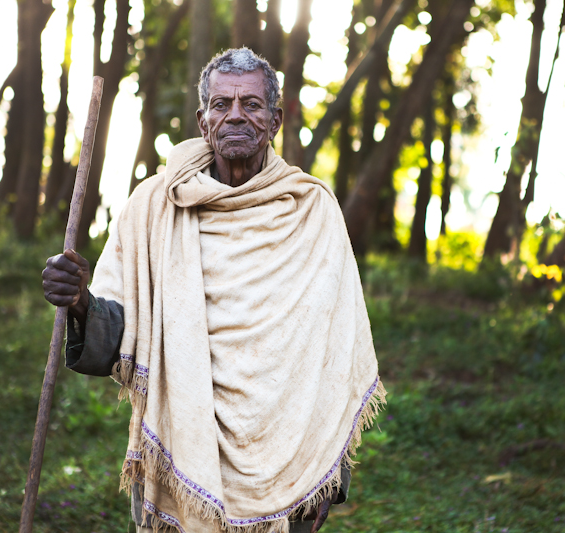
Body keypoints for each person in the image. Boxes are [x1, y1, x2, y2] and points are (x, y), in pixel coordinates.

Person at [42, 48, 384, 533]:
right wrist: (78, 300)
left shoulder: (312, 211)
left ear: (276, 120)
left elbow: (336, 353)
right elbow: (119, 333)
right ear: (203, 121)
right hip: (180, 451)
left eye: (252, 104)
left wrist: (330, 476)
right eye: (221, 105)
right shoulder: (154, 207)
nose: (236, 115)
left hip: (288, 471)